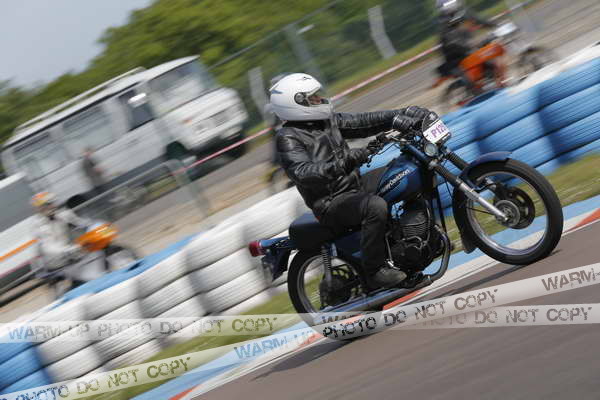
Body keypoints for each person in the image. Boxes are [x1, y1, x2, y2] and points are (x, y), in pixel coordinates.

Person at [270, 73, 433, 290]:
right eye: (313, 97)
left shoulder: (326, 121)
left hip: (354, 185)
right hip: (330, 202)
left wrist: (401, 114)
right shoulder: (288, 137)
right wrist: (345, 162)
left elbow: (362, 122)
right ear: (295, 103)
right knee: (375, 206)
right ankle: (375, 271)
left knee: (408, 169)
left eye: (318, 95)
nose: (319, 99)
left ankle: (422, 239)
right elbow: (303, 172)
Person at [434, 0, 498, 92]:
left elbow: (478, 20)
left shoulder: (462, 13)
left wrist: (494, 24)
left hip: (467, 49)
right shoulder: (444, 22)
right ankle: (483, 90)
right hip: (455, 57)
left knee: (490, 56)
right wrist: (470, 45)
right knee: (486, 62)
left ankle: (492, 81)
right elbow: (451, 40)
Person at [31, 192, 90, 288]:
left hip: (71, 253)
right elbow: (49, 246)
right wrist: (70, 249)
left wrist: (93, 226)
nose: (51, 206)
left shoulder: (62, 214)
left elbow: (81, 223)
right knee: (81, 280)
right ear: (40, 208)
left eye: (51, 203)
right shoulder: (39, 225)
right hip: (54, 260)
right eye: (47, 205)